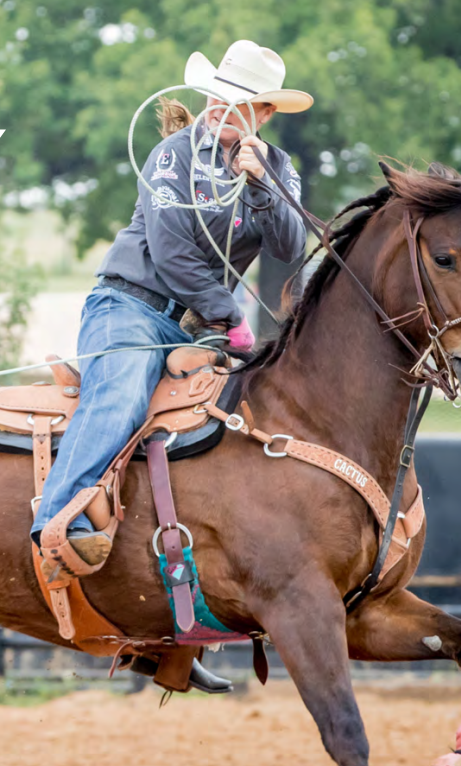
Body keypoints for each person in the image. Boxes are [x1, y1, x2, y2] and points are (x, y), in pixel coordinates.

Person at [31, 38, 314, 565]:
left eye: (239, 100)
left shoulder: (278, 168)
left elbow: (291, 245)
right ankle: (55, 522)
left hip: (197, 328)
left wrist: (261, 188)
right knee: (120, 394)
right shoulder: (173, 155)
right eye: (217, 95)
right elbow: (170, 250)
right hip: (129, 309)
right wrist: (227, 314)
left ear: (266, 112)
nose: (219, 107)